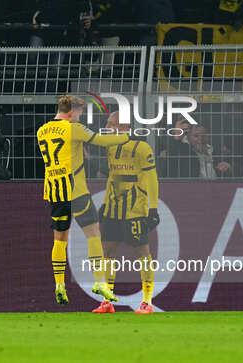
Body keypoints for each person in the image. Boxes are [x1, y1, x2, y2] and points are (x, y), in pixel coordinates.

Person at [37, 94, 129, 305]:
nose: (80, 117)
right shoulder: (73, 129)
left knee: (59, 239)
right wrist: (126, 136)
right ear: (72, 111)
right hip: (75, 189)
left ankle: (59, 283)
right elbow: (102, 140)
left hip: (54, 190)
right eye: (79, 113)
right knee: (93, 233)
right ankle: (99, 282)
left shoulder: (41, 130)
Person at [92, 112, 159, 314]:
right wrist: (104, 203)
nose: (107, 127)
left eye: (110, 124)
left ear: (123, 127)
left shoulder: (141, 148)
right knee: (108, 253)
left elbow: (152, 178)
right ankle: (107, 301)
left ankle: (147, 302)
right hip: (113, 209)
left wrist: (153, 208)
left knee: (142, 253)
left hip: (135, 210)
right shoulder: (111, 147)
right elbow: (112, 175)